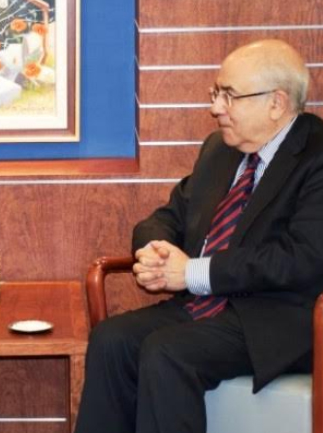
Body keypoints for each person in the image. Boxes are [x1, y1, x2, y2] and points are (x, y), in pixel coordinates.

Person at [75, 39, 323, 433]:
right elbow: (168, 216)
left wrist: (191, 272)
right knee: (112, 339)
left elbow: (302, 257)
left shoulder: (316, 156)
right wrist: (155, 252)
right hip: (207, 307)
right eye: (216, 93)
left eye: (229, 96)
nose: (215, 108)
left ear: (276, 103)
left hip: (278, 320)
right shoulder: (220, 150)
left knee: (167, 352)